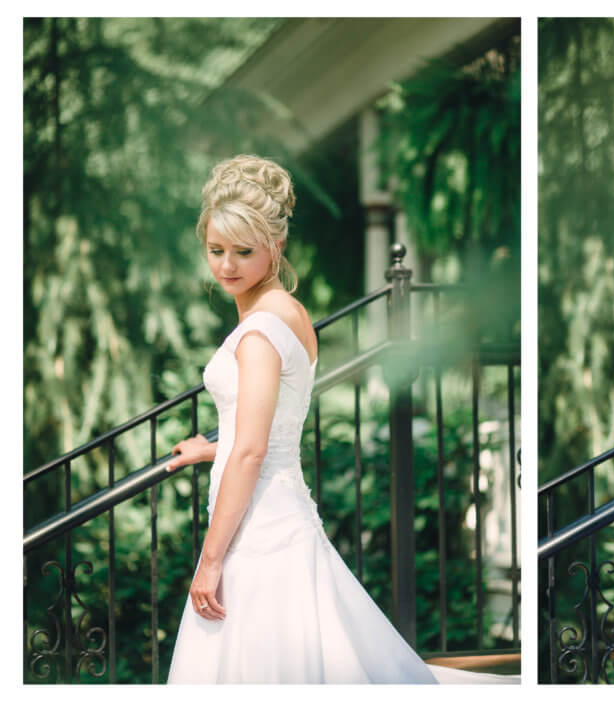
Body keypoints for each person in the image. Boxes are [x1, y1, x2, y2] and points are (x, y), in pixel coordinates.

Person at [163, 155, 516, 684]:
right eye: (216, 251)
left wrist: (210, 559)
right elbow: (272, 431)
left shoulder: (259, 333)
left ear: (275, 247)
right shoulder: (292, 313)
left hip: (258, 532)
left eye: (243, 251)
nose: (227, 266)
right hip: (280, 511)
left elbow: (254, 452)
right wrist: (211, 448)